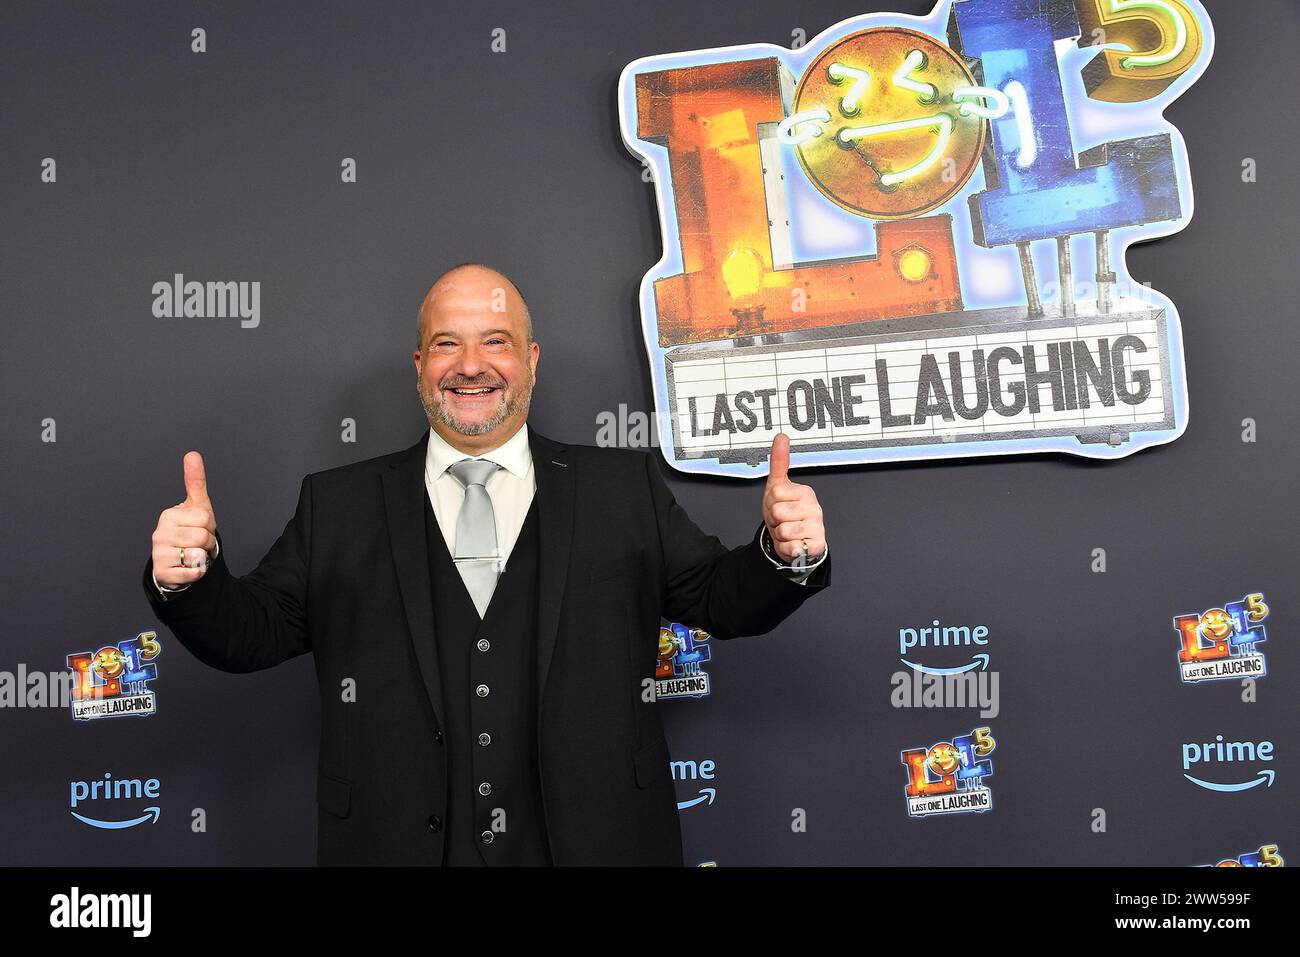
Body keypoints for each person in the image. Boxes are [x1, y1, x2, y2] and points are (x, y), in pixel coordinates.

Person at [143, 263, 832, 865]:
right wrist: (191, 579)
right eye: (448, 342)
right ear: (420, 365)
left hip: (597, 845)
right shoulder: (339, 504)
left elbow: (722, 598)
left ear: (532, 360)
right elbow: (251, 631)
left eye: (494, 341)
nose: (471, 364)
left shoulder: (621, 488)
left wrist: (783, 554)